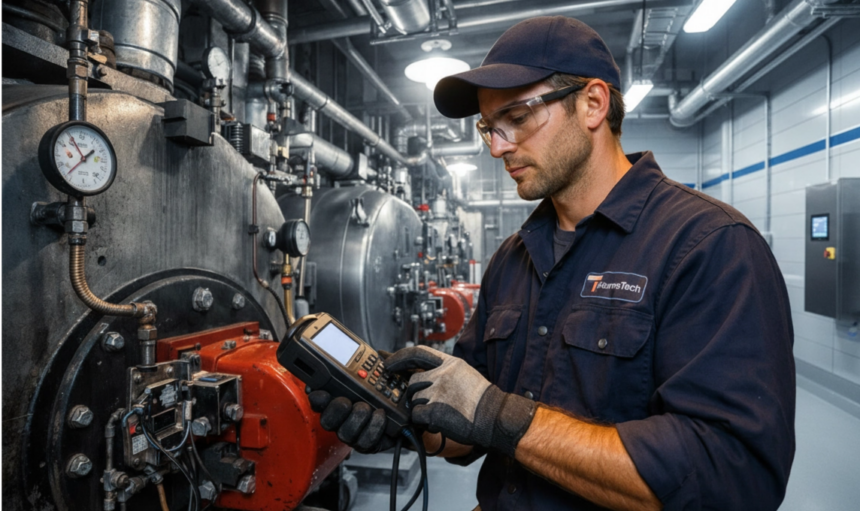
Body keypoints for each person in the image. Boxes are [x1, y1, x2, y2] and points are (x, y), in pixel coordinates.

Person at [307, 16, 796, 511]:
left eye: (517, 118)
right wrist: (405, 425)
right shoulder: (513, 259)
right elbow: (470, 429)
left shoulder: (709, 246)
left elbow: (731, 477)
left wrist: (501, 415)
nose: (498, 147)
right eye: (488, 129)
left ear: (592, 104)